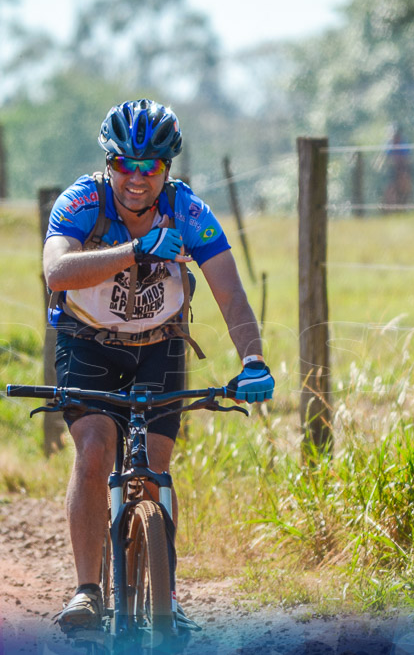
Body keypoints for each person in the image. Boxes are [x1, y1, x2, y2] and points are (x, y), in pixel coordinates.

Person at [42, 99, 274, 633]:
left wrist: (254, 359)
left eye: (150, 167)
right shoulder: (83, 201)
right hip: (89, 342)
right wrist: (137, 249)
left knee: (155, 469)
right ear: (109, 164)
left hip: (161, 343)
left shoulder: (189, 212)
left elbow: (230, 292)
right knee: (96, 449)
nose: (137, 178)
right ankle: (86, 591)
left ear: (168, 168)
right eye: (125, 164)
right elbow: (56, 271)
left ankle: (165, 593)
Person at [383, 126, 412, 207]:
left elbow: (407, 159)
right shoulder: (389, 144)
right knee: (390, 188)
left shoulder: (404, 144)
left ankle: (405, 201)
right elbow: (387, 158)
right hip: (392, 170)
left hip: (403, 169)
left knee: (405, 182)